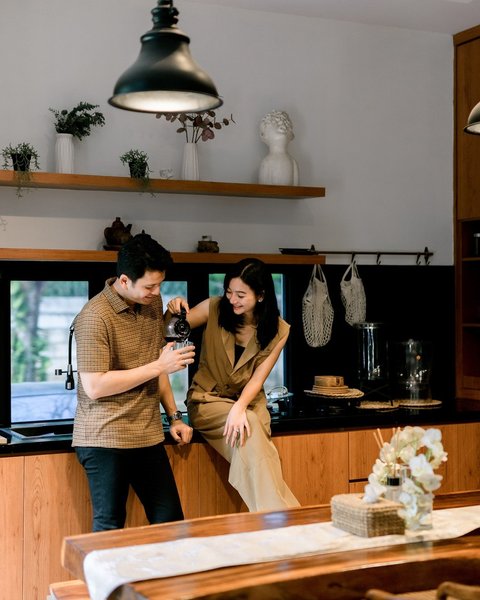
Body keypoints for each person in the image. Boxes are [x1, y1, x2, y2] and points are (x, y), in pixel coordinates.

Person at [72, 233, 195, 531]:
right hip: (103, 436)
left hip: (147, 434)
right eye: (150, 286)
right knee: (110, 528)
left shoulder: (152, 303)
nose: (157, 291)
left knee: (170, 524)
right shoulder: (94, 317)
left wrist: (174, 417)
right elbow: (95, 386)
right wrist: (158, 365)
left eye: (160, 285)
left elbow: (157, 366)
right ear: (124, 280)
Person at [166, 258, 300, 512]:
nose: (232, 299)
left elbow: (259, 377)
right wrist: (172, 310)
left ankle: (278, 517)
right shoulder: (214, 308)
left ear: (261, 296)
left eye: (241, 294)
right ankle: (284, 518)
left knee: (258, 447)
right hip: (207, 400)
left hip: (249, 401)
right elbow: (173, 330)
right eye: (229, 292)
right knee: (250, 434)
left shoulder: (279, 330)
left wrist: (239, 407)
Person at [259, 109, 299, 186]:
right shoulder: (267, 162)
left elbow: (296, 187)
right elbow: (262, 188)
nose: (282, 130)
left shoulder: (293, 161)